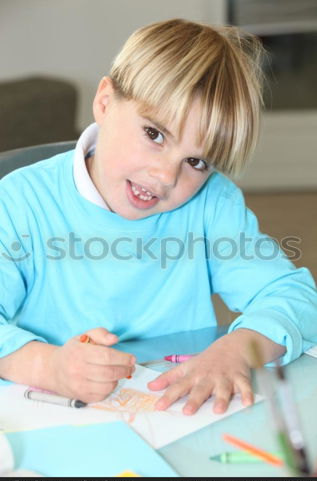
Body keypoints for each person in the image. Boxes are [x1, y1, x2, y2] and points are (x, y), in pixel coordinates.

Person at [0, 19, 316, 416]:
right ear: (105, 102)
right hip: (48, 414)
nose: (166, 176)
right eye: (154, 134)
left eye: (196, 161)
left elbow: (295, 297)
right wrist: (47, 366)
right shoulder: (18, 202)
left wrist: (236, 350)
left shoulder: (211, 203)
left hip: (168, 415)